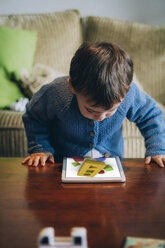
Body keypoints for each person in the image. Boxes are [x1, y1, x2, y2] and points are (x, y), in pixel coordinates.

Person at [22, 42, 165, 167]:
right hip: (61, 164)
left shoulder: (129, 94)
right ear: (73, 87)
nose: (101, 117)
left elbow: (151, 115)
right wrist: (40, 147)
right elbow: (34, 116)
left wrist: (157, 148)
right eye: (91, 110)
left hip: (111, 164)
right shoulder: (56, 94)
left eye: (110, 111)